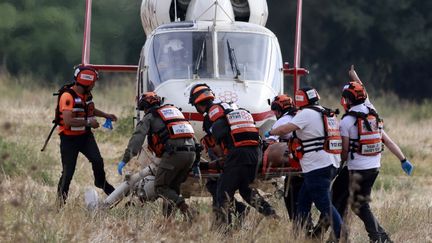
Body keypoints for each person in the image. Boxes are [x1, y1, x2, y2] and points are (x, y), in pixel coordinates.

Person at [189, 83, 278, 229]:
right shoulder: (234, 108)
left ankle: (223, 231)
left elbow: (217, 143)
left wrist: (222, 160)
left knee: (222, 194)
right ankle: (272, 215)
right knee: (245, 190)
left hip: (238, 155)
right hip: (256, 153)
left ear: (198, 104)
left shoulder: (211, 116)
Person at [338, 80, 413, 242]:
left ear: (348, 100)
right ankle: (380, 237)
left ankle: (374, 237)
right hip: (374, 168)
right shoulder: (373, 115)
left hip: (356, 169)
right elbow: (389, 141)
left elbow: (344, 151)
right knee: (358, 204)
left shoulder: (346, 121)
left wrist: (337, 166)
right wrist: (403, 159)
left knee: (349, 203)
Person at [266, 87, 343, 240]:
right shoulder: (325, 112)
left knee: (324, 205)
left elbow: (287, 129)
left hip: (317, 167)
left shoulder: (307, 113)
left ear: (301, 99)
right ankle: (301, 236)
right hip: (331, 163)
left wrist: (271, 132)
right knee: (302, 202)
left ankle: (342, 235)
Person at [117, 92, 198, 220]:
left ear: (145, 107)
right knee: (172, 188)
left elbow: (137, 139)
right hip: (192, 154)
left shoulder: (150, 116)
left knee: (160, 187)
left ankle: (186, 209)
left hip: (174, 155)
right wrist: (196, 162)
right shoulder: (175, 112)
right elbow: (192, 136)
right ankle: (168, 220)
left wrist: (125, 159)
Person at [56, 66, 116, 207]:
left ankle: (101, 182)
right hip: (69, 139)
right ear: (86, 82)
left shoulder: (86, 95)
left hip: (85, 136)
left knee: (97, 161)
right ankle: (60, 204)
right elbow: (67, 121)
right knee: (68, 173)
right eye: (93, 83)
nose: (94, 85)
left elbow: (89, 108)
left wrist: (106, 115)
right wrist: (89, 122)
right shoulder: (67, 96)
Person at [265, 94, 303, 221]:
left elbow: (270, 143)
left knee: (290, 196)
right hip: (309, 162)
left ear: (278, 110)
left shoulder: (281, 122)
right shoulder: (300, 116)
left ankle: (298, 224)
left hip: (294, 163)